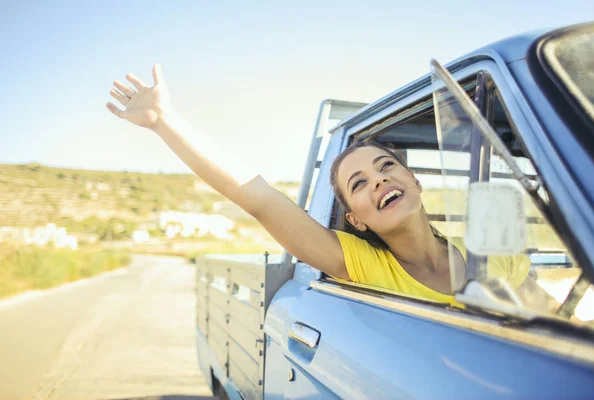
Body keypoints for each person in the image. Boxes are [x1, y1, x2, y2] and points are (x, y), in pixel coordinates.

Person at [106, 64, 535, 309]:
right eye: (359, 182)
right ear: (356, 219)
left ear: (414, 181)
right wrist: (165, 121)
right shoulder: (359, 263)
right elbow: (258, 197)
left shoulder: (493, 256)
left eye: (387, 166)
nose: (379, 179)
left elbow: (554, 322)